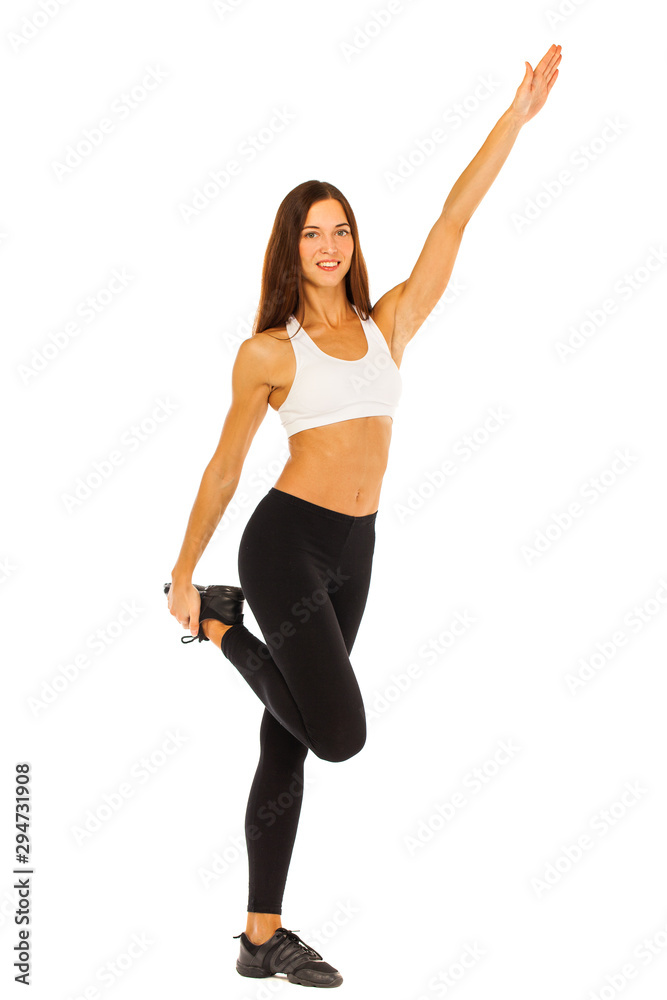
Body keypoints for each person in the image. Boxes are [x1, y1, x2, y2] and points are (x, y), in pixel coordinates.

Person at [165, 44, 562, 988]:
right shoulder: (270, 351)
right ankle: (223, 623)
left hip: (356, 547)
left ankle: (261, 939)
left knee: (289, 732)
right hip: (284, 543)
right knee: (338, 734)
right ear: (288, 248)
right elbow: (226, 468)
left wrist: (515, 117)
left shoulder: (390, 324)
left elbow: (453, 218)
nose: (329, 245)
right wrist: (185, 577)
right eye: (311, 233)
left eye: (339, 228)